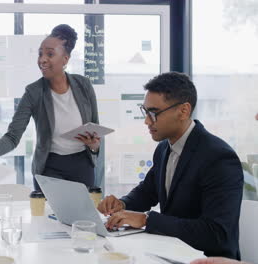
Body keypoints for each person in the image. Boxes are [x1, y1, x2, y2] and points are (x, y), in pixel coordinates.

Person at [97, 72, 243, 259]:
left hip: (206, 259)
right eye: (145, 111)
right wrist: (122, 204)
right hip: (171, 251)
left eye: (154, 113)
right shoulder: (164, 148)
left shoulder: (218, 158)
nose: (147, 121)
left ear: (183, 111)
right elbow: (147, 191)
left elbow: (216, 233)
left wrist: (147, 220)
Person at [0, 24, 100, 190]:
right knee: (48, 215)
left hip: (82, 165)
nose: (42, 59)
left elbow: (95, 130)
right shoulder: (33, 92)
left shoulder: (83, 85)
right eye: (40, 53)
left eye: (50, 54)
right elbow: (13, 136)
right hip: (50, 167)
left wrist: (94, 146)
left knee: (84, 215)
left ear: (65, 59)